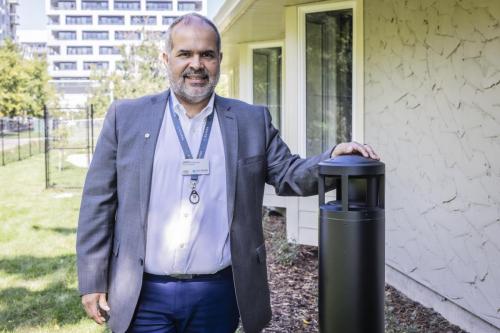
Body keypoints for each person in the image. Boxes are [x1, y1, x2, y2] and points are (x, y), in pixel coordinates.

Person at [76, 13, 379, 333]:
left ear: (219, 60)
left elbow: (288, 173)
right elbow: (98, 201)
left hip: (217, 293)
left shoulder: (250, 121)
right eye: (185, 54)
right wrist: (93, 279)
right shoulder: (127, 118)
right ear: (166, 59)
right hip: (142, 294)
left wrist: (332, 159)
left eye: (206, 54)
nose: (197, 64)